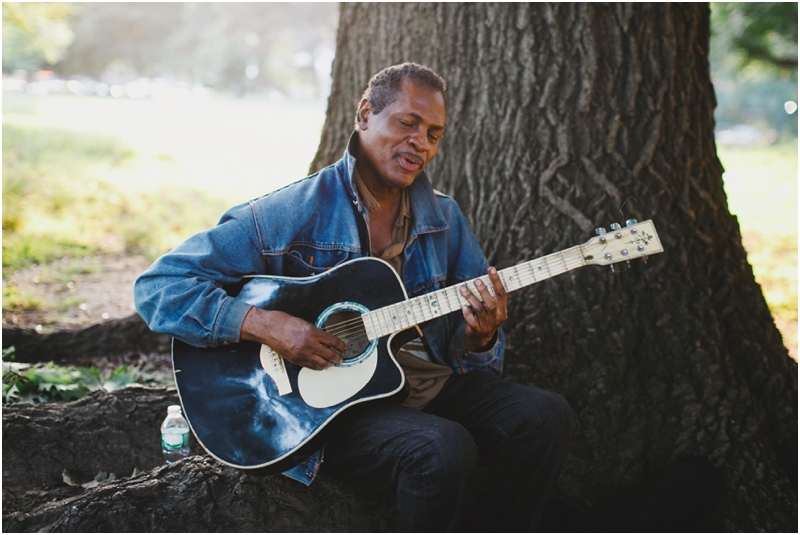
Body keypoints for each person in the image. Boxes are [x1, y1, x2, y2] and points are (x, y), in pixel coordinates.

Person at [135, 62, 577, 532]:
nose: (421, 143)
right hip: (329, 409)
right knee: (442, 448)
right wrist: (268, 325)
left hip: (423, 386)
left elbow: (477, 359)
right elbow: (159, 288)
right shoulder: (291, 213)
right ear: (365, 114)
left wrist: (482, 335)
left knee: (545, 416)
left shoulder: (444, 218)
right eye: (408, 123)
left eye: (434, 133)